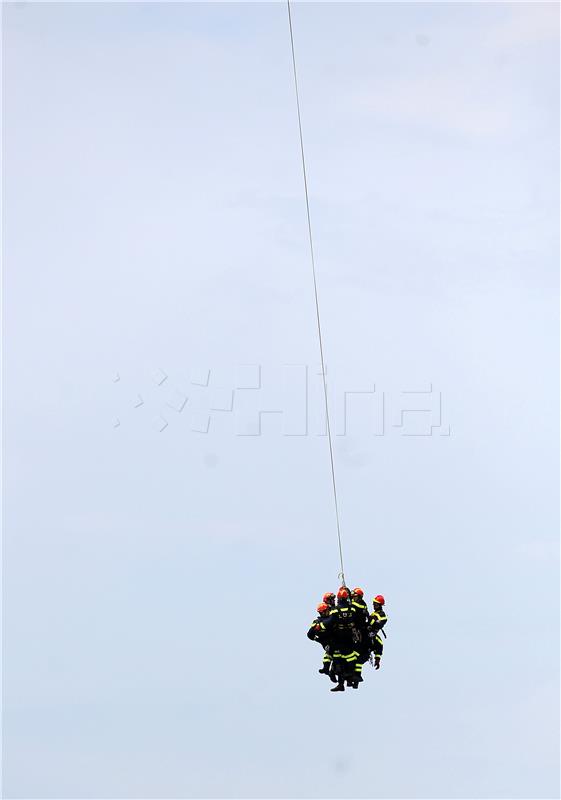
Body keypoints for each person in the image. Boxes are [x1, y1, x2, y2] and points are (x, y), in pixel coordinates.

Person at [323, 588, 361, 691]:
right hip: (349, 635)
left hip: (338, 637)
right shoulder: (352, 608)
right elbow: (356, 619)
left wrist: (322, 625)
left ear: (339, 598)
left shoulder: (334, 610)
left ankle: (341, 680)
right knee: (350, 656)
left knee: (338, 658)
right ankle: (349, 677)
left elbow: (330, 622)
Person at [307, 603, 334, 678]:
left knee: (328, 654)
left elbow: (309, 635)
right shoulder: (328, 620)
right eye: (327, 610)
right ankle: (330, 671)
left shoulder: (317, 621)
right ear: (323, 612)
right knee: (333, 655)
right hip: (331, 642)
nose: (329, 611)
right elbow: (310, 634)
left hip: (327, 643)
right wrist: (319, 639)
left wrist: (318, 640)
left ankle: (326, 669)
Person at [351, 587, 370, 683]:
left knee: (357, 651)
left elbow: (353, 605)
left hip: (358, 631)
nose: (353, 598)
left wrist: (346, 596)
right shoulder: (360, 604)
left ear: (359, 597)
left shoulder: (360, 605)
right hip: (357, 629)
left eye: (355, 596)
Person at [369, 594, 388, 670]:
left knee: (379, 643)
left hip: (372, 633)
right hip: (365, 630)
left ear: (380, 605)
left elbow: (379, 623)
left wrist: (371, 620)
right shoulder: (373, 613)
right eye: (373, 603)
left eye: (375, 604)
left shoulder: (382, 615)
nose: (374, 605)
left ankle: (377, 660)